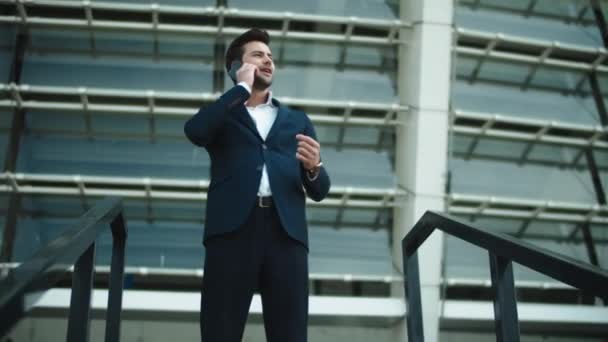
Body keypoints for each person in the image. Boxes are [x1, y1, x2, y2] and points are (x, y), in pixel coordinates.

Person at [183, 28, 331, 342]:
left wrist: (314, 167)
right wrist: (239, 90)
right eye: (258, 55)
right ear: (239, 66)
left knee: (289, 333)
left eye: (270, 56)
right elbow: (195, 131)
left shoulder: (296, 120)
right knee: (220, 330)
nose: (267, 61)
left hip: (285, 234)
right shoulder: (223, 115)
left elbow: (320, 190)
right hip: (232, 232)